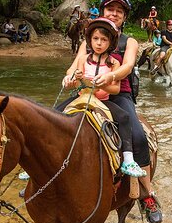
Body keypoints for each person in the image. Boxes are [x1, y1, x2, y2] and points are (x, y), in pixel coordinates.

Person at [61, 0, 163, 223]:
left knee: (137, 135)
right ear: (103, 11)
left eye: (119, 11)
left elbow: (127, 67)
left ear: (124, 16)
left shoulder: (130, 41)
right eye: (110, 9)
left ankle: (147, 194)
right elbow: (73, 67)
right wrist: (70, 78)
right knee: (51, 120)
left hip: (118, 95)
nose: (114, 13)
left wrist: (110, 77)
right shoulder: (89, 41)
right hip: (85, 93)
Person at [62, 17, 146, 178]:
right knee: (53, 114)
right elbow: (76, 83)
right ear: (90, 40)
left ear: (110, 43)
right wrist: (71, 79)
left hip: (103, 101)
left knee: (124, 117)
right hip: (82, 99)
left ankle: (128, 159)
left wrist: (102, 85)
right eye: (95, 39)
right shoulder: (82, 59)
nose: (99, 43)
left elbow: (115, 90)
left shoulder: (114, 63)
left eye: (103, 40)